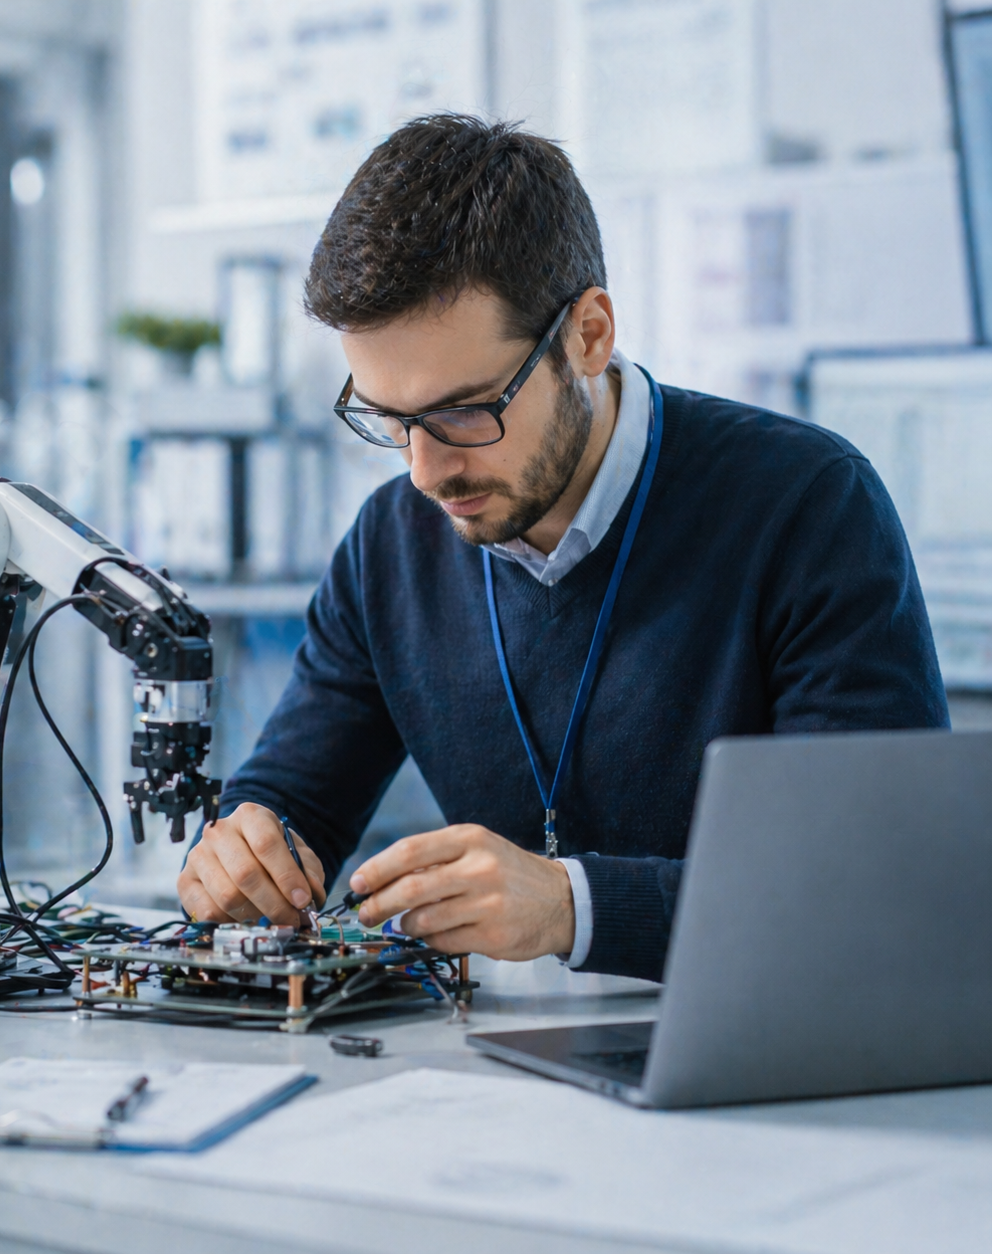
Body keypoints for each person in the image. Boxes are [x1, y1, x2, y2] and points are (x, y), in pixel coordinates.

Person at [177, 114, 948, 982]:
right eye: (390, 419)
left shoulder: (809, 506)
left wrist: (571, 906)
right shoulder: (390, 548)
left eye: (466, 410)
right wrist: (244, 850)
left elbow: (873, 891)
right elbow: (292, 800)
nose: (425, 470)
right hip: (500, 1078)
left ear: (588, 335)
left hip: (768, 1066)